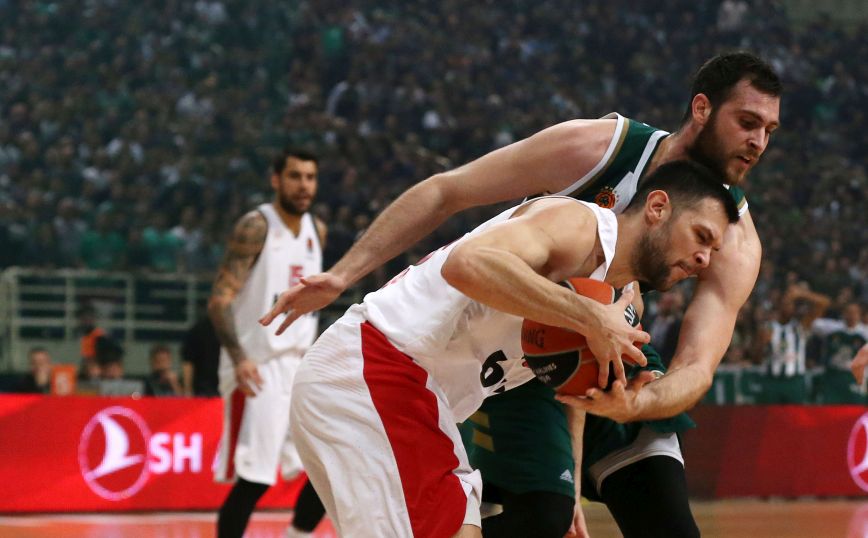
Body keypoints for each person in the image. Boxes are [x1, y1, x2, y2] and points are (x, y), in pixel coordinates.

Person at [261, 51, 781, 537]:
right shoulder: (600, 156)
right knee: (540, 511)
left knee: (665, 519)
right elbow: (449, 196)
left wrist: (633, 404)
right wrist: (344, 274)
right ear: (702, 109)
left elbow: (695, 368)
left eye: (770, 131)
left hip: (549, 349)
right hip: (424, 354)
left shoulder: (729, 246)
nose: (759, 142)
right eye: (747, 122)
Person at [281, 161, 739, 538]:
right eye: (700, 236)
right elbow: (467, 262)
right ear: (658, 207)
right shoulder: (579, 225)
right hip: (377, 368)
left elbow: (568, 392)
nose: (703, 261)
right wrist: (587, 316)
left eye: (714, 251)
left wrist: (611, 412)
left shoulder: (619, 298)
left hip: (407, 397)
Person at [209, 148, 327, 538]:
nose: (304, 185)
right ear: (276, 180)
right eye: (295, 176)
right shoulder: (255, 226)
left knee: (328, 466)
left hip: (301, 365)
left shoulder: (317, 230)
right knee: (256, 479)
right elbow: (219, 300)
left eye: (310, 177)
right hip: (257, 365)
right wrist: (239, 359)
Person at [755, 284, 829, 404]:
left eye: (790, 304)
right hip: (771, 380)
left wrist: (802, 294)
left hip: (794, 381)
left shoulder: (801, 326)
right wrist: (761, 346)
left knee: (795, 414)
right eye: (784, 303)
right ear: (778, 306)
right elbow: (756, 359)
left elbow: (824, 303)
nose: (787, 307)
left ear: (794, 307)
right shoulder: (767, 329)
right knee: (770, 414)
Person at [181, 316, 221, 396]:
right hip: (204, 391)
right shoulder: (198, 330)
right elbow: (188, 362)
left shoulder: (234, 329)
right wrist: (188, 390)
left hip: (228, 386)